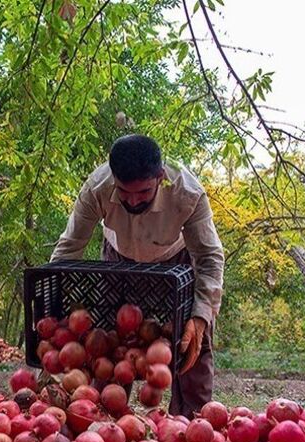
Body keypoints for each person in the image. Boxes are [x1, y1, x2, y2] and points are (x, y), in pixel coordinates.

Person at [50, 134, 225, 417]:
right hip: (119, 260)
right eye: (124, 192)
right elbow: (70, 246)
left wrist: (201, 315)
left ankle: (191, 425)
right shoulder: (97, 187)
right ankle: (102, 420)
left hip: (175, 262)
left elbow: (209, 256)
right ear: (114, 180)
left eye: (143, 192)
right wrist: (54, 306)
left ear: (160, 177)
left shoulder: (187, 192)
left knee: (193, 344)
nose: (132, 201)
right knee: (107, 343)